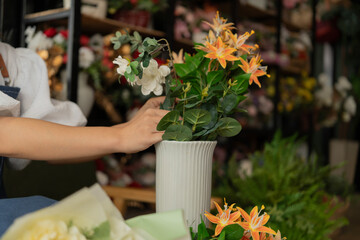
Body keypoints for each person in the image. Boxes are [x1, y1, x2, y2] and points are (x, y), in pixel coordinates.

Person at [0, 41, 167, 235]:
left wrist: (129, 128)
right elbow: (6, 135)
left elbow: (57, 142)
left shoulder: (10, 61)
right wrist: (122, 136)